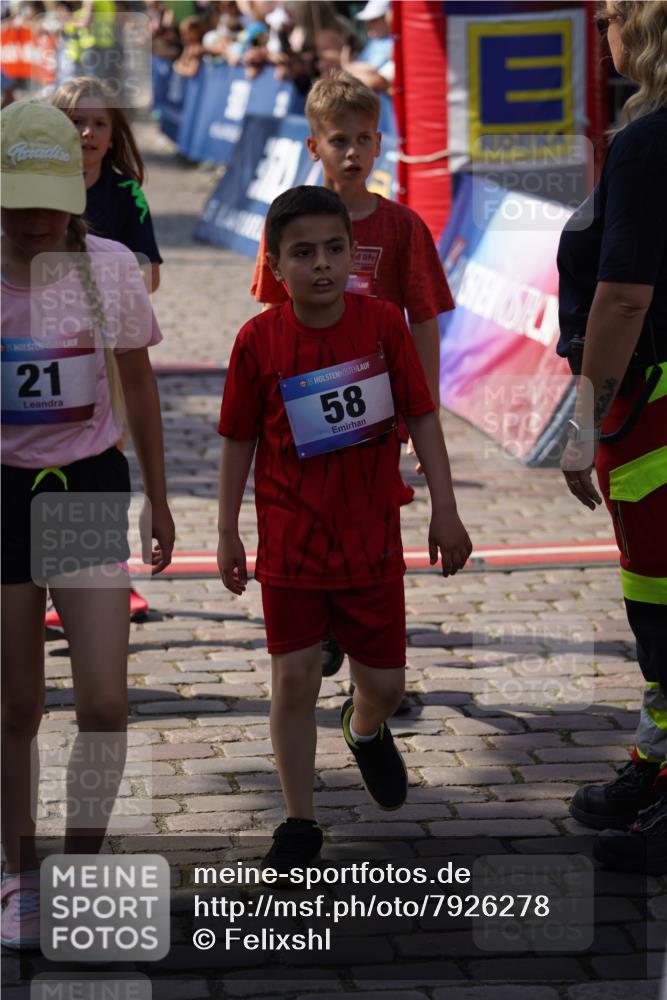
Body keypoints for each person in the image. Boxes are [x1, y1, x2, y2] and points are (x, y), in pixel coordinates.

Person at [218, 185, 471, 870]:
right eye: (303, 253)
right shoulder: (257, 340)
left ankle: (362, 729)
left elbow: (421, 416)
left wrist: (445, 508)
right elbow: (238, 438)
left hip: (370, 543)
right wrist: (226, 531)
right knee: (293, 680)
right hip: (290, 545)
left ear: (353, 257)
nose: (322, 265)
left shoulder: (383, 324)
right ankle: (299, 822)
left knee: (385, 686)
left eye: (334, 250)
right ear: (273, 264)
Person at [0, 100, 175, 948]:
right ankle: (23, 878)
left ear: (76, 187)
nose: (31, 219)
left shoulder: (107, 268)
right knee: (17, 705)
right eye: (12, 199)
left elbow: (139, 386)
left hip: (83, 487)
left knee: (105, 702)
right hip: (1, 493)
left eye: (45, 197)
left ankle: (80, 867)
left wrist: (161, 496)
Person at [251, 70, 455, 694]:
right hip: (304, 410)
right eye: (339, 140)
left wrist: (425, 414)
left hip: (376, 410)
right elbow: (267, 315)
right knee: (310, 510)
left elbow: (422, 320)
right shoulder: (289, 221)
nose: (353, 152)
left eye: (366, 139)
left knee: (371, 519)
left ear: (380, 144)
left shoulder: (401, 227)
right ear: (314, 146)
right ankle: (320, 620)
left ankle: (365, 644)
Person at [557, 0, 667, 873]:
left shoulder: (646, 143)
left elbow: (622, 295)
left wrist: (583, 413)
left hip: (654, 411)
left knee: (662, 610)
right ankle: (658, 764)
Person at [51, 75, 164, 627]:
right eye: (75, 122)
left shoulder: (125, 195)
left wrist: (106, 277)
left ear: (115, 133)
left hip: (106, 343)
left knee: (102, 448)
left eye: (98, 123)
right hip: (45, 341)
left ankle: (110, 573)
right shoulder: (36, 188)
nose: (88, 133)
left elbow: (150, 272)